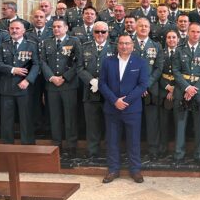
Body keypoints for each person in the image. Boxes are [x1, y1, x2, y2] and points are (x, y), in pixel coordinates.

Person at [100, 34, 149, 184]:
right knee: (112, 140)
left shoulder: (140, 62)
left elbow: (143, 85)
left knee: (133, 141)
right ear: (117, 45)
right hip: (112, 107)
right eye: (121, 43)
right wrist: (115, 100)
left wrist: (125, 101)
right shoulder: (108, 62)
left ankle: (135, 170)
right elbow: (102, 84)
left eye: (127, 43)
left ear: (132, 45)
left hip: (132, 109)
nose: (124, 46)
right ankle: (113, 170)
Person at [40, 18, 82, 155]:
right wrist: (51, 77)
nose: (56, 29)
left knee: (70, 116)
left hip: (68, 84)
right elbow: (42, 62)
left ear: (66, 28)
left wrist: (64, 77)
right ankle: (56, 143)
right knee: (55, 116)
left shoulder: (74, 41)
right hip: (52, 85)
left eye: (59, 27)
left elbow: (78, 62)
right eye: (54, 27)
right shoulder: (47, 42)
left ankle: (71, 144)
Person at [172, 23, 200, 166]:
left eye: (198, 32)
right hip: (182, 92)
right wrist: (187, 87)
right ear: (188, 33)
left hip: (199, 93)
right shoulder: (179, 50)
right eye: (193, 31)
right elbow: (175, 71)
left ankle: (199, 155)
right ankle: (178, 155)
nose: (195, 34)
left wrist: (194, 89)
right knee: (180, 125)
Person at [0, 20, 39, 145]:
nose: (14, 31)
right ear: (8, 30)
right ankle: (7, 144)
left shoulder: (31, 45)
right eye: (12, 28)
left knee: (26, 118)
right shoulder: (3, 45)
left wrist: (28, 80)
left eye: (17, 28)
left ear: (24, 30)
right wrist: (13, 69)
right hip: (6, 87)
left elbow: (36, 65)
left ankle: (27, 144)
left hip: (24, 87)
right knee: (6, 119)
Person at [78, 21, 115, 159]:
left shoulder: (114, 47)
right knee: (92, 124)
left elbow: (119, 69)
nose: (100, 34)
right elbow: (79, 68)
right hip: (90, 92)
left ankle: (110, 152)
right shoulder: (84, 47)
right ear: (93, 33)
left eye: (103, 32)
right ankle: (93, 152)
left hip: (109, 94)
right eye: (97, 31)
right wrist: (92, 81)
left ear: (107, 32)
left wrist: (103, 83)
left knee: (110, 124)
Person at [133, 17, 164, 161]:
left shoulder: (156, 46)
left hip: (151, 90)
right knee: (134, 121)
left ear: (149, 28)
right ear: (135, 28)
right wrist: (137, 86)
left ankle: (153, 149)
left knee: (152, 122)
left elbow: (158, 68)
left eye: (146, 26)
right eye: (140, 26)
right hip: (132, 90)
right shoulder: (128, 44)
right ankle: (134, 149)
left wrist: (145, 84)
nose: (143, 28)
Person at [158, 29, 180, 157]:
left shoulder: (182, 53)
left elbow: (184, 73)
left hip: (179, 91)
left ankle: (178, 148)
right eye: (169, 37)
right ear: (166, 40)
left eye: (173, 37)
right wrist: (167, 86)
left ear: (178, 39)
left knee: (178, 122)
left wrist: (175, 88)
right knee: (163, 122)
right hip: (164, 91)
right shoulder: (161, 53)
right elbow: (157, 72)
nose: (171, 40)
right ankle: (163, 148)